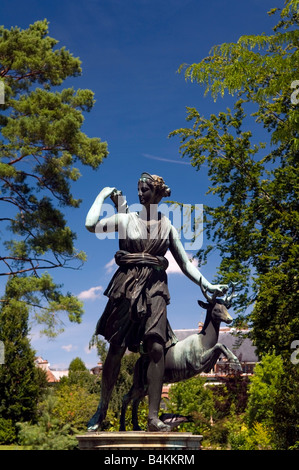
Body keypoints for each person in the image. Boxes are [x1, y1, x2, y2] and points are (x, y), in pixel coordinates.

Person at [85, 172, 228, 432]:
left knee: (157, 349)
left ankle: (153, 418)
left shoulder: (167, 228)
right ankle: (101, 411)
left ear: (157, 193)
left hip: (156, 289)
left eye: (144, 190)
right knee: (116, 349)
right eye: (138, 189)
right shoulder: (126, 219)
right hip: (126, 286)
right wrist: (102, 195)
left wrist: (206, 284)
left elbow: (185, 263)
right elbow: (91, 224)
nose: (140, 194)